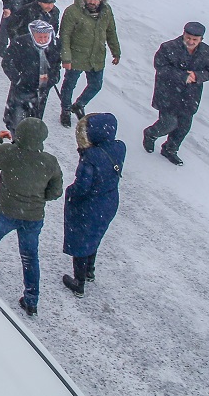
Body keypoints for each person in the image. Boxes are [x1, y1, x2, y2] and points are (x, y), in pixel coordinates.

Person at [0, 117, 64, 317]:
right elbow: (55, 192)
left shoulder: (8, 152)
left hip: (6, 210)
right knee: (30, 257)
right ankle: (31, 300)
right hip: (33, 217)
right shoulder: (49, 162)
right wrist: (37, 198)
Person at [61, 112, 125, 296]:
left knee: (81, 239)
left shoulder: (90, 158)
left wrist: (71, 193)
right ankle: (90, 270)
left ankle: (78, 282)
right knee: (95, 235)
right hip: (110, 201)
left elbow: (82, 187)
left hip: (90, 204)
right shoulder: (120, 148)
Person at [143, 22, 209, 165]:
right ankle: (151, 134)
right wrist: (183, 76)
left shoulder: (206, 51)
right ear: (183, 34)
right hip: (168, 93)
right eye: (188, 38)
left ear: (201, 39)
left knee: (183, 126)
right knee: (168, 123)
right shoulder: (168, 47)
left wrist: (198, 76)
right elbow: (160, 66)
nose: (190, 42)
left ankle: (170, 150)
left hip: (190, 96)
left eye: (195, 40)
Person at [58, 0, 121, 126]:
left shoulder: (106, 11)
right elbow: (65, 35)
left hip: (96, 56)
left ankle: (79, 104)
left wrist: (116, 51)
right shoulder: (72, 11)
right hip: (76, 56)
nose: (92, 2)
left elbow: (111, 32)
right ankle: (66, 110)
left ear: (101, 0)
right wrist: (66, 57)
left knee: (96, 85)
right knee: (69, 85)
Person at [2, 20, 62, 131]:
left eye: (45, 37)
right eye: (40, 37)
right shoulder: (21, 43)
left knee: (35, 120)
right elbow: (7, 62)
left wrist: (54, 78)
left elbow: (57, 64)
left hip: (42, 89)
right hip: (22, 88)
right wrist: (18, 79)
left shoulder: (55, 44)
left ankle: (30, 136)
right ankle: (16, 138)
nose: (43, 40)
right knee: (17, 117)